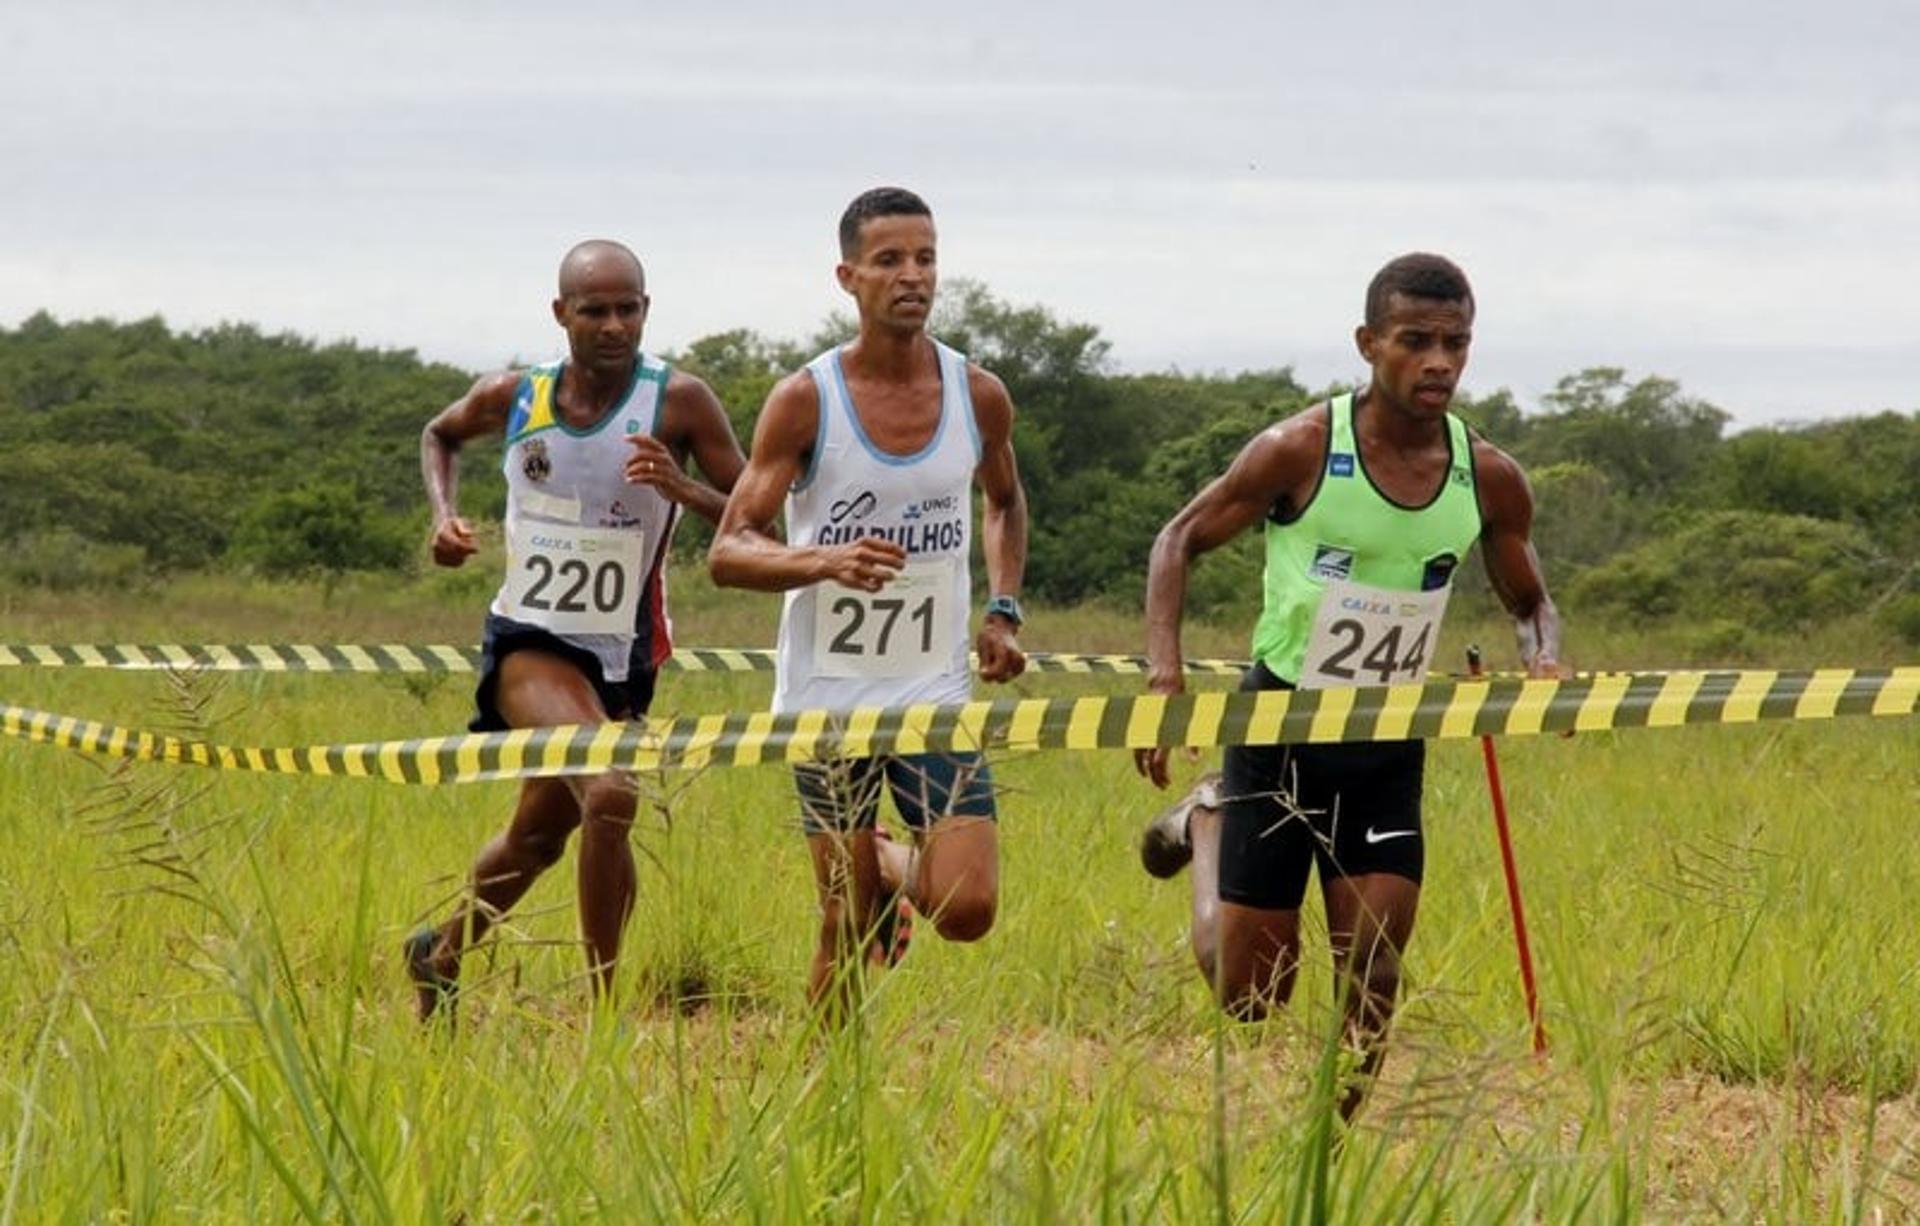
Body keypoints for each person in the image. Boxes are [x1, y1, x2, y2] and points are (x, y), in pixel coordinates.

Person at [1132, 253, 1563, 1118]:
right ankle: (1207, 819)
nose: (1438, 361)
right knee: (1252, 994)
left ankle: (1333, 1145)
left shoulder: (1489, 475)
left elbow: (1531, 599)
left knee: (1373, 967)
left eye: (1456, 344)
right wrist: (1164, 670)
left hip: (1384, 742)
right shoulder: (1300, 447)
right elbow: (1178, 539)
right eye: (1416, 342)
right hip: (1281, 729)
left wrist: (1544, 660)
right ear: (1370, 344)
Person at [406, 239, 746, 1020]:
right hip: (530, 641)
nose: (614, 325)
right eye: (595, 310)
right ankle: (607, 1019)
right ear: (561, 314)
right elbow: (440, 434)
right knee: (612, 793)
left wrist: (682, 487)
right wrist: (443, 519)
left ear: (647, 310)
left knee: (539, 838)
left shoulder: (679, 402)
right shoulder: (515, 396)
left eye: (629, 308)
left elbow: (756, 516)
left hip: (624, 655)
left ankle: (441, 952)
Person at [708, 187, 1029, 1013]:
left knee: (967, 910)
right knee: (844, 923)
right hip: (828, 698)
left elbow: (1004, 500)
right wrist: (823, 560)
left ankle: (888, 860)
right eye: (890, 260)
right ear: (848, 276)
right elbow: (730, 549)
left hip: (932, 691)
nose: (912, 276)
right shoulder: (806, 399)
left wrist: (1004, 608)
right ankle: (823, 1095)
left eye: (926, 258)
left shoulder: (978, 394)